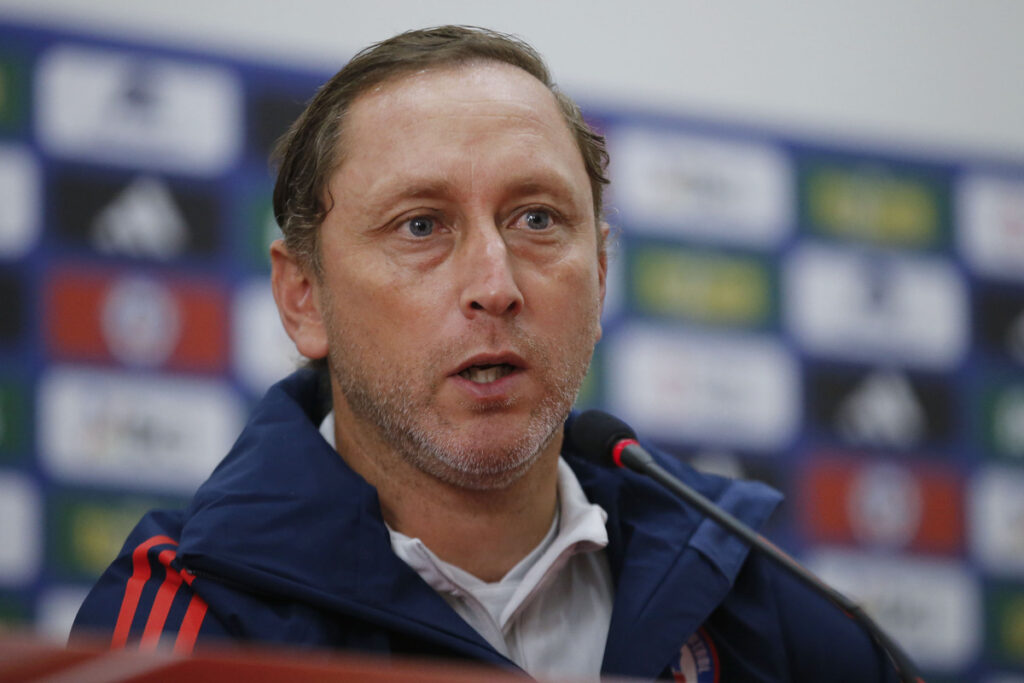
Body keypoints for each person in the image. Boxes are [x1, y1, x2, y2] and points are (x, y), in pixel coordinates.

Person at [72, 25, 901, 681]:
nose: (495, 285)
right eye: (422, 226)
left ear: (601, 276)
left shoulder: (750, 589)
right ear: (304, 299)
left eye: (537, 219)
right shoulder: (190, 623)